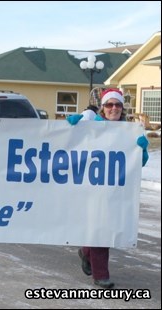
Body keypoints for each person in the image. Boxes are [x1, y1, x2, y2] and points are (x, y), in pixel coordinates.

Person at [67, 88, 149, 289]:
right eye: (109, 104)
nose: (114, 108)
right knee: (100, 231)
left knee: (107, 229)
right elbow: (69, 146)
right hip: (90, 189)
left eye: (118, 105)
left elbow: (139, 164)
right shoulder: (91, 126)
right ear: (103, 108)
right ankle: (100, 275)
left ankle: (85, 251)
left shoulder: (130, 131)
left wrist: (142, 149)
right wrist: (72, 127)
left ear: (122, 108)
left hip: (115, 191)